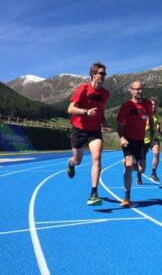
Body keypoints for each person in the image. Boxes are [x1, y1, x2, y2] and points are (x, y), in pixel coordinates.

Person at [66, 62, 110, 206]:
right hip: (79, 128)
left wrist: (103, 121)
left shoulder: (105, 94)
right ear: (93, 74)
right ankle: (71, 164)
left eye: (105, 74)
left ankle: (94, 193)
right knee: (78, 160)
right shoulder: (83, 89)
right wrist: (86, 111)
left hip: (95, 130)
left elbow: (101, 109)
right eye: (101, 73)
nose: (104, 76)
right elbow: (70, 109)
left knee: (96, 157)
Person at [117, 81, 154, 207]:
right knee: (128, 167)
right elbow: (120, 124)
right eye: (137, 89)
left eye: (141, 89)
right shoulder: (126, 106)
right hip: (128, 139)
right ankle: (127, 196)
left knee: (141, 169)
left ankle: (130, 163)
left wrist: (152, 132)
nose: (140, 91)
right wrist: (122, 137)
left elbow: (151, 118)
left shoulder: (148, 104)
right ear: (131, 90)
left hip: (141, 140)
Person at [143, 98, 162, 182]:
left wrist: (159, 131)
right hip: (144, 139)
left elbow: (157, 124)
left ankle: (153, 173)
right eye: (152, 104)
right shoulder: (144, 114)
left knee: (157, 152)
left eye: (155, 104)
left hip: (154, 138)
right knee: (142, 160)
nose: (153, 106)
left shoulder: (156, 115)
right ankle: (139, 174)